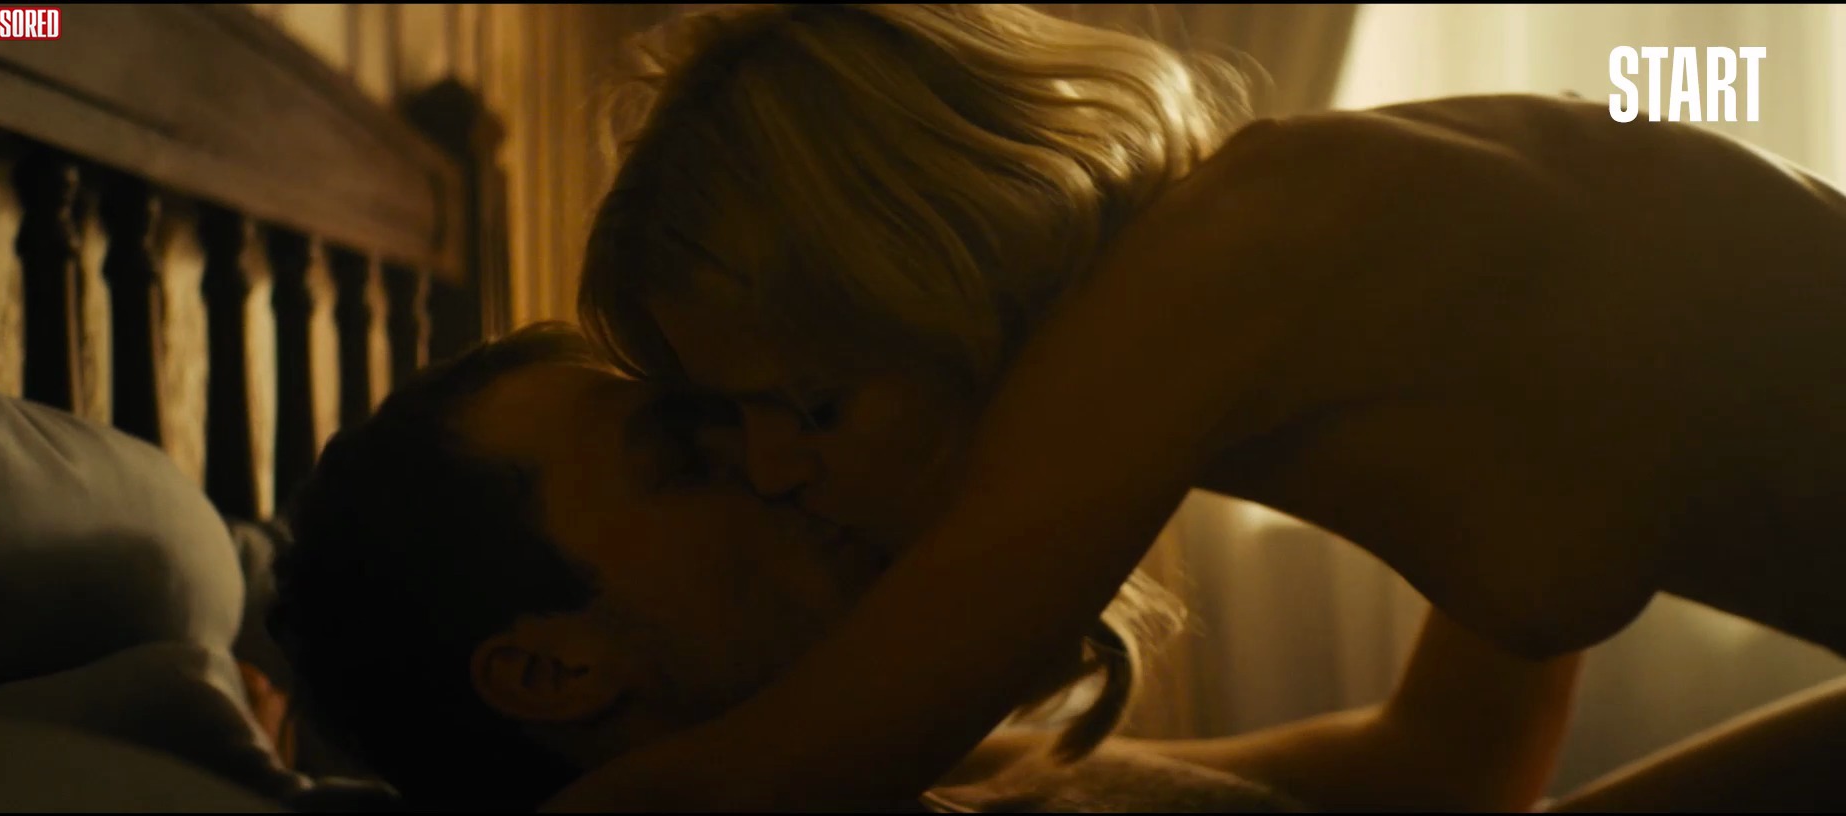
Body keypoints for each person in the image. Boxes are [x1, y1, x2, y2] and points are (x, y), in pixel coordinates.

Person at [568, 3, 1846, 811]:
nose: (773, 470)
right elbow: (1459, 766)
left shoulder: (1230, 258)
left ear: (931, 275)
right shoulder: (1276, 325)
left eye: (808, 402)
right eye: (732, 425)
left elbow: (785, 780)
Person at [268, 321, 1578, 813]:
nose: (768, 458)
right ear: (553, 670)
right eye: (680, 452)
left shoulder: (953, 761)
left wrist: (1542, 400)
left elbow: (1438, 771)